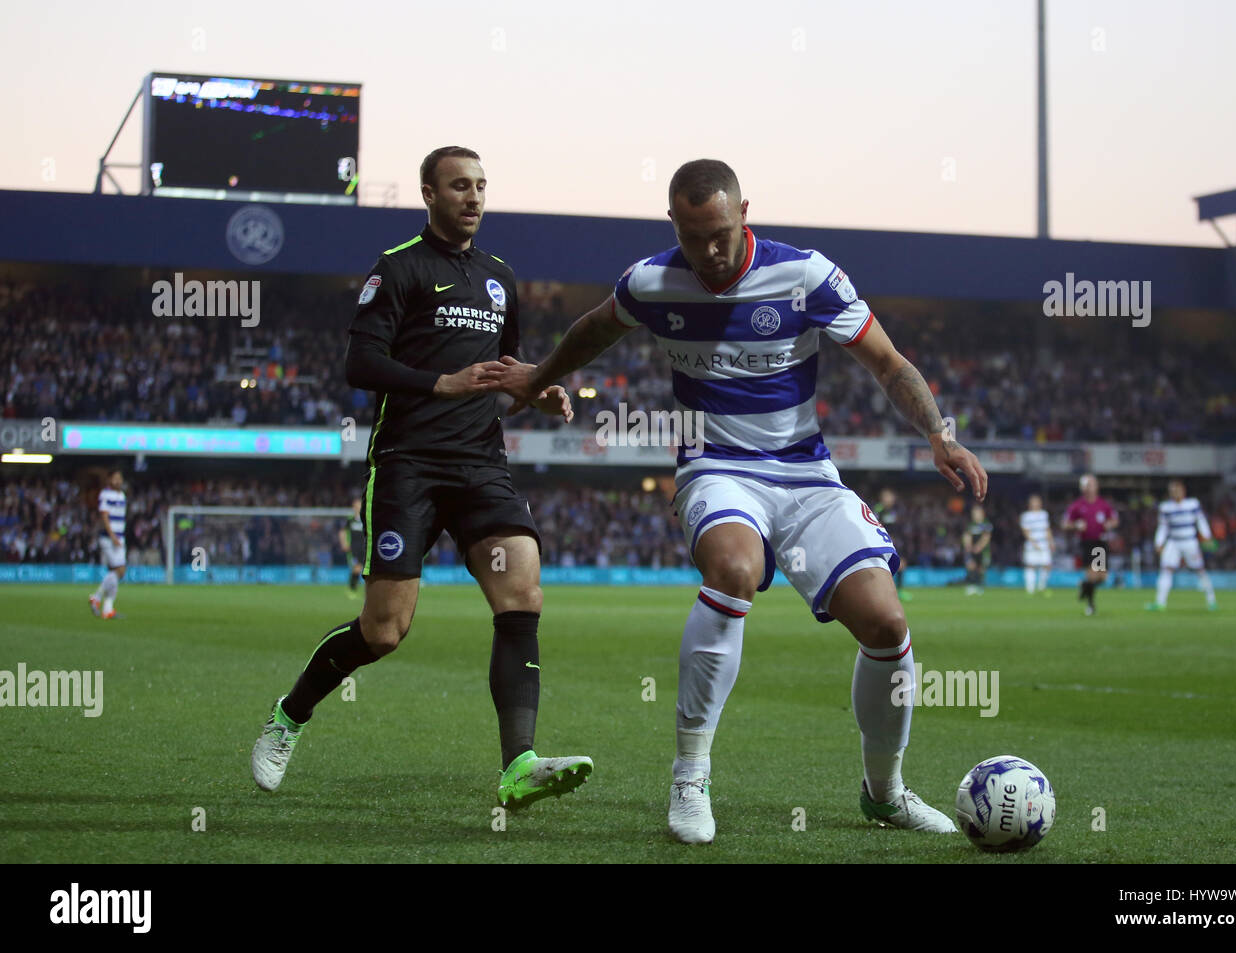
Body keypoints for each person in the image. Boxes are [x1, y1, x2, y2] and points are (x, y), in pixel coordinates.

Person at [492, 159, 987, 844]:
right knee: (732, 569)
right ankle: (689, 777)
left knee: (887, 624)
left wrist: (939, 433)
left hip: (806, 473)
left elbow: (887, 361)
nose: (710, 252)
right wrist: (538, 377)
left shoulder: (806, 274)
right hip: (715, 465)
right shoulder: (652, 281)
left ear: (745, 212)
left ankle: (885, 791)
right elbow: (595, 329)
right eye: (694, 238)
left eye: (721, 233)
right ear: (675, 225)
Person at [250, 146, 593, 810]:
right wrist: (442, 382)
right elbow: (360, 362)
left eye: (481, 186)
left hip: (479, 465)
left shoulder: (500, 277)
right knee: (384, 629)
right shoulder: (399, 268)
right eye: (459, 186)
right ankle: (290, 714)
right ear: (429, 194)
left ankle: (518, 763)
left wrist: (539, 391)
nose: (473, 197)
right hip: (408, 463)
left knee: (521, 587)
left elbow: (508, 367)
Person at [1146, 479, 1217, 611]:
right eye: (1172, 491)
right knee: (1166, 569)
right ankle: (1160, 603)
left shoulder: (1192, 504)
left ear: (1183, 491)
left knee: (1200, 570)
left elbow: (1201, 521)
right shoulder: (1165, 507)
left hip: (1190, 541)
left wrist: (1206, 536)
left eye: (1176, 490)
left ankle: (1211, 601)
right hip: (1173, 542)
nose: (1174, 493)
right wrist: (1159, 543)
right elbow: (1163, 527)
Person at [1062, 474, 1118, 616]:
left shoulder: (1103, 504)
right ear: (1083, 488)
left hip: (1100, 542)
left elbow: (1115, 520)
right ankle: (1091, 606)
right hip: (1086, 543)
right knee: (1093, 575)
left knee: (1102, 577)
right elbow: (1065, 524)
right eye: (1088, 485)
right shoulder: (1077, 506)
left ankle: (1084, 586)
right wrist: (1075, 525)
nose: (1091, 487)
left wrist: (1110, 524)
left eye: (1093, 484)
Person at [88, 468, 127, 620]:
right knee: (120, 570)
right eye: (115, 478)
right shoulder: (105, 494)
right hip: (109, 538)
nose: (118, 481)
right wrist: (112, 536)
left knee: (117, 573)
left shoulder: (122, 495)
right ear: (110, 480)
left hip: (119, 537)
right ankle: (96, 597)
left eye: (120, 478)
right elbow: (104, 516)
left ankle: (107, 610)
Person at [874, 488, 911, 601]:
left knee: (901, 565)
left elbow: (901, 526)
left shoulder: (898, 510)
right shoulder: (878, 510)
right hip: (882, 542)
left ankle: (900, 591)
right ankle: (880, 591)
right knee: (882, 567)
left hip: (897, 542)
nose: (888, 499)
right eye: (886, 497)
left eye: (890, 497)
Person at [1019, 494, 1053, 595]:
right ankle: (1030, 589)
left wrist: (1051, 541)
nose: (1035, 504)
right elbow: (1025, 531)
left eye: (1037, 501)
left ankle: (1041, 587)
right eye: (1033, 501)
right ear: (1030, 504)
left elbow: (1047, 529)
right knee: (1030, 565)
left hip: (1044, 543)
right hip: (1031, 544)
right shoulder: (1026, 516)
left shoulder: (1044, 514)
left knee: (1047, 565)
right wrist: (1033, 542)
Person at [961, 503, 993, 595]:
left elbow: (986, 537)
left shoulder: (986, 524)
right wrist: (968, 546)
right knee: (971, 566)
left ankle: (979, 586)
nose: (975, 515)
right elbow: (966, 536)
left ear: (982, 513)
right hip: (972, 550)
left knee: (981, 568)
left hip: (983, 551)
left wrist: (979, 547)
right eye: (974, 513)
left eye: (977, 513)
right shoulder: (970, 525)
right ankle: (971, 585)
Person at [339, 496, 366, 596]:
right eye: (356, 505)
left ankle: (355, 589)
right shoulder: (350, 519)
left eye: (360, 505)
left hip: (365, 547)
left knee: (362, 568)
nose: (358, 507)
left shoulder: (365, 518)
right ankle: (351, 589)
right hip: (353, 548)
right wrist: (344, 543)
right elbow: (342, 532)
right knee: (356, 568)